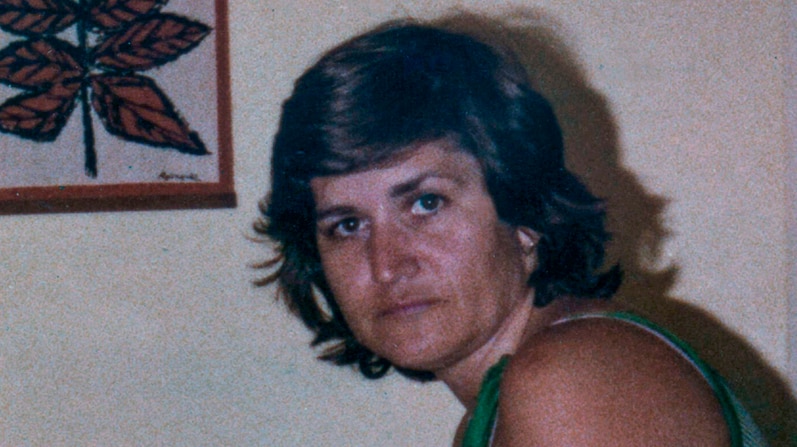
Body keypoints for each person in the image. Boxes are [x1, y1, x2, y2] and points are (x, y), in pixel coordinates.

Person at [254, 19, 767, 447]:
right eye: (347, 225)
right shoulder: (500, 410)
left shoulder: (571, 381)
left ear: (525, 216)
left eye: (426, 203)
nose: (386, 263)